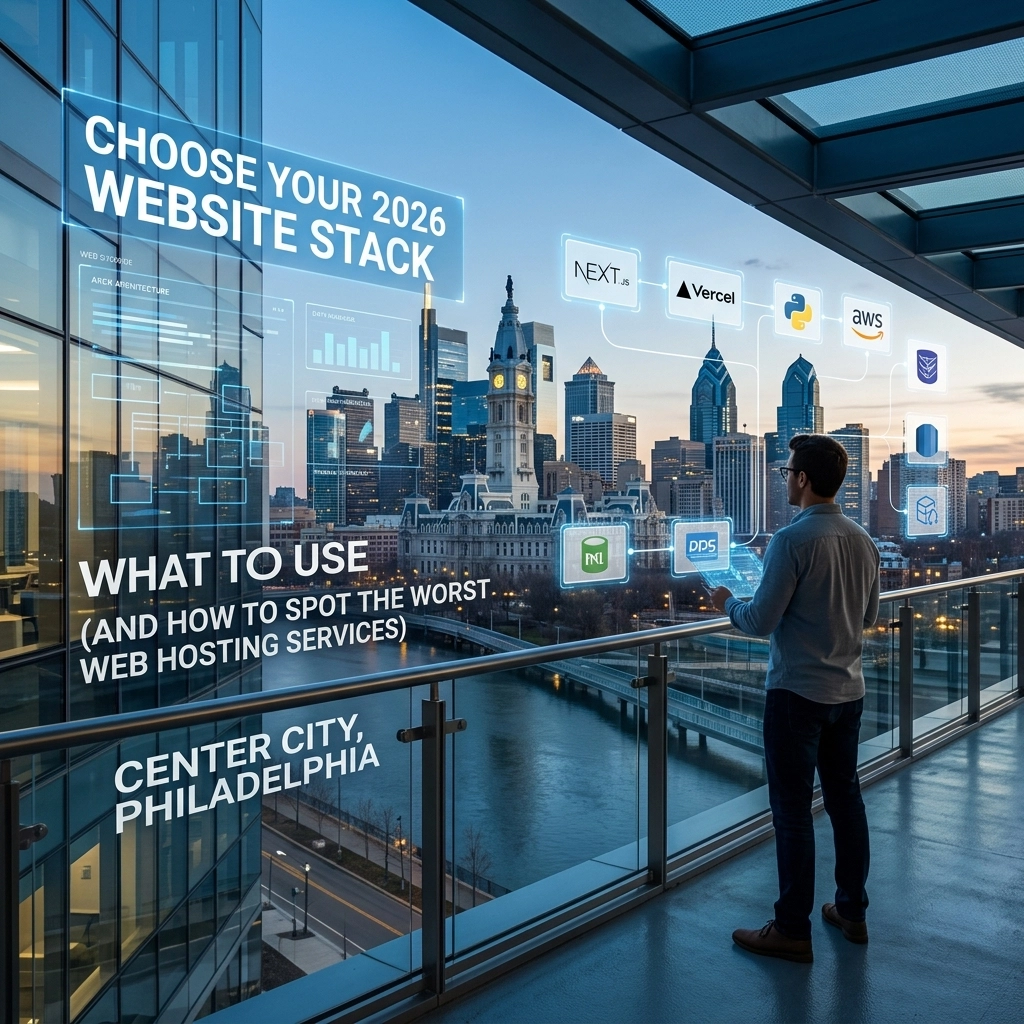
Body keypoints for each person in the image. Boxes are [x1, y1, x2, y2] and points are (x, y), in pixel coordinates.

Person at [711, 434, 880, 964]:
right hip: (847, 693)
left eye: (787, 471)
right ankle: (851, 911)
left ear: (803, 480)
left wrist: (727, 604)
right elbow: (870, 618)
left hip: (795, 696)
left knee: (791, 812)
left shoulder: (789, 541)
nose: (784, 478)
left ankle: (791, 929)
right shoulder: (862, 540)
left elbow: (760, 620)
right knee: (845, 800)